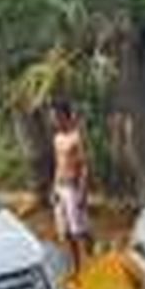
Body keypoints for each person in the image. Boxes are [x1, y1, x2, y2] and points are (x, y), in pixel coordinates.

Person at [50, 101, 93, 278]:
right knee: (65, 232)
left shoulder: (76, 137)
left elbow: (85, 166)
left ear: (65, 116)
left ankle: (90, 259)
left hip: (73, 188)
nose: (53, 120)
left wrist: (83, 191)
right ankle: (76, 268)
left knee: (78, 231)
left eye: (56, 116)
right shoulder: (57, 138)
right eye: (52, 117)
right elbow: (58, 164)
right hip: (60, 187)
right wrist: (53, 188)